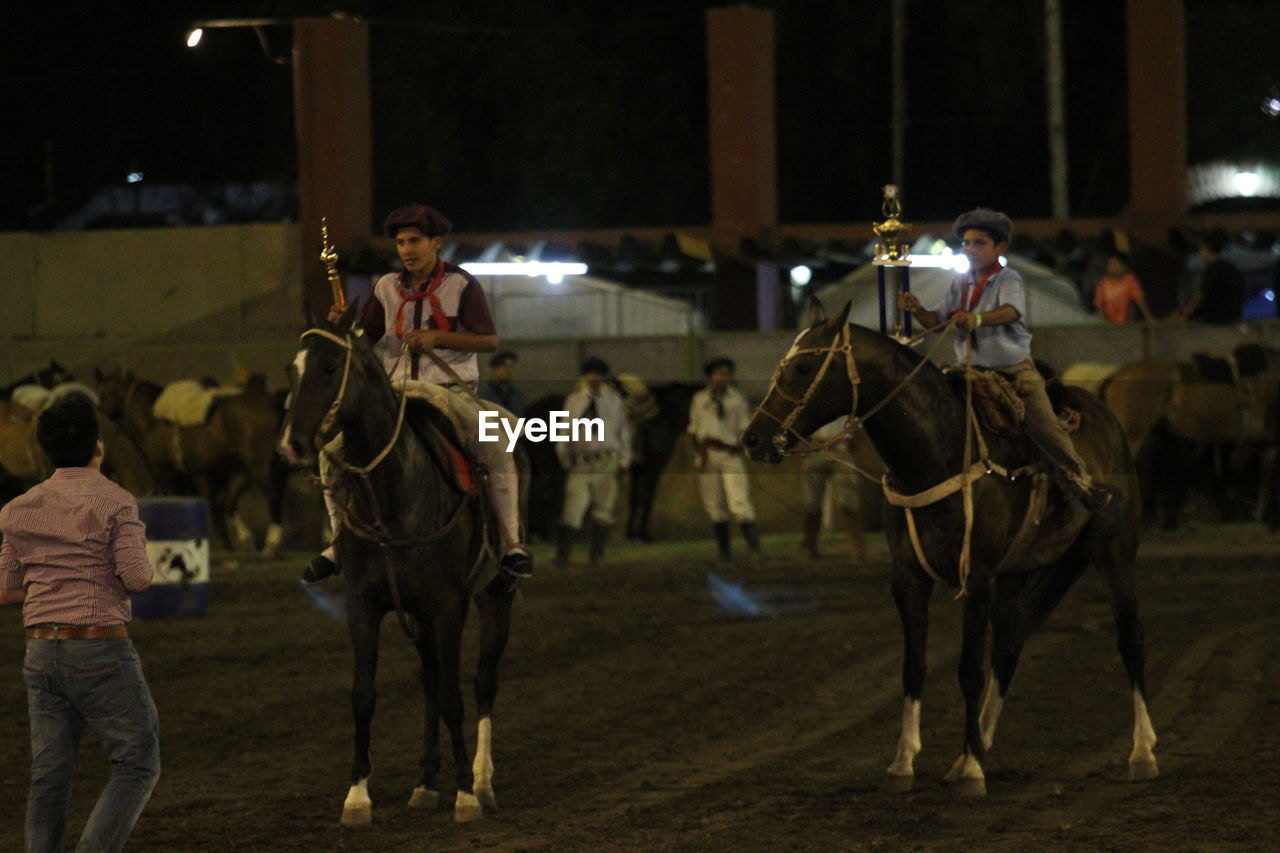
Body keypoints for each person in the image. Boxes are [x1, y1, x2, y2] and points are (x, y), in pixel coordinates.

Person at [303, 204, 532, 583]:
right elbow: (365, 341)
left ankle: (511, 544)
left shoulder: (462, 284)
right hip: (394, 395)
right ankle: (339, 541)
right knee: (330, 455)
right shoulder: (385, 286)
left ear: (436, 243)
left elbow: (489, 340)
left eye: (415, 241)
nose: (407, 249)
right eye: (400, 242)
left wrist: (438, 337)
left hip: (449, 392)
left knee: (498, 446)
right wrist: (341, 329)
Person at [0, 395, 161, 853]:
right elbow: (137, 578)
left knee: (48, 776)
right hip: (99, 650)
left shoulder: (17, 509)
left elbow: (6, 589)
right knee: (138, 760)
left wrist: (55, 580)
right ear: (98, 446)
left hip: (40, 652)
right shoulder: (114, 501)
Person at [898, 208, 1121, 517]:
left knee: (1044, 425)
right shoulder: (959, 284)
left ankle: (1081, 482)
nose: (971, 249)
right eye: (966, 243)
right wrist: (917, 310)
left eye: (979, 243)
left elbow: (1010, 312)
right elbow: (936, 321)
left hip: (1013, 371)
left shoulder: (1008, 279)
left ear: (999, 248)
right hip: (969, 371)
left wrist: (974, 318)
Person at [555, 358, 631, 569]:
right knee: (573, 509)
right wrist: (565, 458)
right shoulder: (575, 400)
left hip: (607, 459)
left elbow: (622, 430)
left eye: (598, 373)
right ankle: (563, 555)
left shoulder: (613, 400)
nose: (594, 377)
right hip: (581, 462)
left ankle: (597, 555)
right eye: (590, 373)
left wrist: (624, 459)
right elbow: (564, 430)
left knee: (603, 509)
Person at [687, 357, 761, 562]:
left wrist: (741, 447)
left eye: (726, 373)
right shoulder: (700, 399)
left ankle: (754, 548)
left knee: (739, 502)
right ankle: (724, 551)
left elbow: (744, 429)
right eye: (718, 373)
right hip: (707, 454)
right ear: (710, 376)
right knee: (715, 506)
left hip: (730, 454)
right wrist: (698, 455)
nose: (722, 377)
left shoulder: (736, 400)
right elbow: (693, 430)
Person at [799, 417, 867, 563]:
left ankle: (858, 548)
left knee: (848, 501)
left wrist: (853, 448)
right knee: (811, 503)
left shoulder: (848, 397)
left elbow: (857, 427)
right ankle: (809, 546)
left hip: (841, 448)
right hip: (815, 449)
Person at [1170, 228, 1245, 324]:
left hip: (1216, 317)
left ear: (1207, 248)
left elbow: (1202, 296)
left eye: (1202, 247)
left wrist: (1185, 313)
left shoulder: (1212, 269)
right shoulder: (1231, 268)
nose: (1200, 251)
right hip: (1232, 315)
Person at [1094, 252, 1157, 324]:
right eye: (1110, 264)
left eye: (1116, 264)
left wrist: (1148, 317)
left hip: (1126, 323)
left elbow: (1139, 298)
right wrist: (1105, 323)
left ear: (1124, 266)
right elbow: (1100, 304)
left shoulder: (1129, 280)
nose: (1112, 267)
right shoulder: (1104, 283)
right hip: (1109, 325)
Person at [478, 350, 527, 418]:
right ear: (494, 369)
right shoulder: (483, 394)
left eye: (511, 367)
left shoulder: (517, 395)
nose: (508, 370)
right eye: (504, 366)